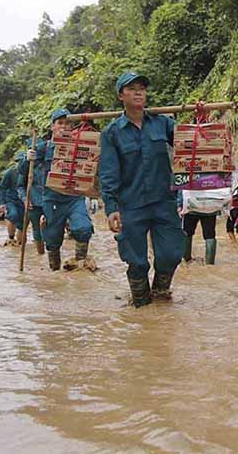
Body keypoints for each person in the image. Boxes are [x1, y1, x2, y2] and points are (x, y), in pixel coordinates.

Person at [99, 72, 186, 307]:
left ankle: (160, 297)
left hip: (163, 202)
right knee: (136, 261)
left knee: (171, 254)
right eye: (132, 88)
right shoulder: (112, 133)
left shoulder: (162, 123)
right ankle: (142, 308)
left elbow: (189, 141)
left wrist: (201, 117)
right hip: (131, 205)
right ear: (121, 95)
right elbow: (108, 172)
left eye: (142, 88)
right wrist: (111, 207)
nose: (139, 92)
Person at [25, 109, 96, 271]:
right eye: (60, 123)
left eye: (68, 123)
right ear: (53, 127)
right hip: (52, 200)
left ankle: (80, 265)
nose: (64, 127)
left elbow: (93, 165)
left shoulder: (81, 144)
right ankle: (55, 274)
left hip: (74, 198)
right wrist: (28, 158)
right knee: (52, 239)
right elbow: (24, 171)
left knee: (83, 228)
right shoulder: (44, 148)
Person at [177, 188, 220, 265]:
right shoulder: (214, 175)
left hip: (191, 207)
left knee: (187, 232)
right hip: (210, 208)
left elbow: (182, 187)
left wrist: (179, 204)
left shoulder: (190, 175)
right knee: (209, 235)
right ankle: (209, 263)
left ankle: (186, 260)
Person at [17, 140, 46, 256]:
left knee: (52, 227)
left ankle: (51, 252)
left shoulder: (49, 163)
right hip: (33, 201)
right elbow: (20, 186)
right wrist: (25, 199)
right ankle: (40, 253)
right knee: (36, 228)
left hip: (50, 200)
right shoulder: (26, 166)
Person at [0, 154, 25, 242]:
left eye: (21, 162)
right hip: (11, 200)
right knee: (13, 215)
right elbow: (2, 187)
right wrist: (2, 203)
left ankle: (20, 243)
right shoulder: (10, 173)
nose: (20, 164)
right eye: (18, 162)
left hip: (24, 201)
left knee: (22, 223)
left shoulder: (29, 173)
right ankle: (11, 237)